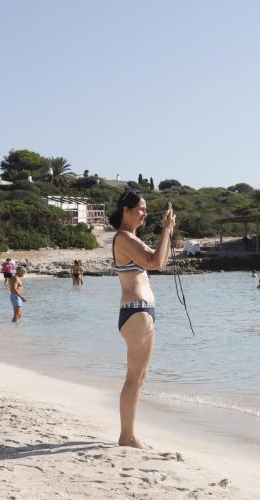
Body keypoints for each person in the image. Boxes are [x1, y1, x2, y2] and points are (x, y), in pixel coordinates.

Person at [110, 189, 175, 449]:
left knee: (139, 376)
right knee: (134, 377)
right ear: (126, 210)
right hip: (136, 312)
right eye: (140, 209)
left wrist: (167, 231)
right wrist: (166, 230)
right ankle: (127, 436)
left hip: (140, 312)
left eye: (146, 209)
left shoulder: (131, 239)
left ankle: (128, 434)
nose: (144, 213)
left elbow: (160, 259)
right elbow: (156, 262)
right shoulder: (124, 237)